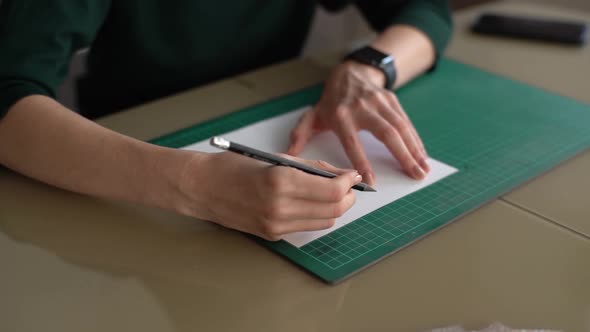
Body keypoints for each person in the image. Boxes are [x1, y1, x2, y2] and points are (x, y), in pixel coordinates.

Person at [0, 1, 452, 240]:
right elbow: (8, 93)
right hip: (121, 171)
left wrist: (367, 69)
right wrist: (195, 184)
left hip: (268, 115)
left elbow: (425, 9)